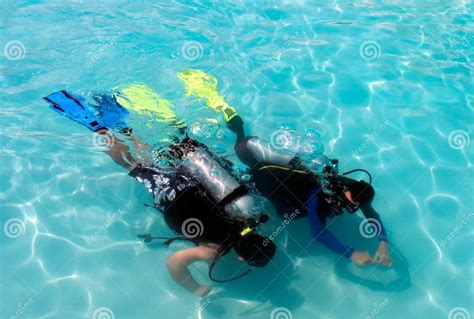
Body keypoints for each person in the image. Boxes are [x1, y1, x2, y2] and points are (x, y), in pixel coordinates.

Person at [43, 90, 276, 297]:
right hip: (172, 195)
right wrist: (196, 289)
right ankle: (97, 126)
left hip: (190, 182)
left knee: (143, 148)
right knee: (133, 164)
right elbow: (174, 262)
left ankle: (114, 112)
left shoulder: (250, 215)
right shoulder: (212, 251)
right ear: (241, 258)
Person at [176, 69, 392, 268]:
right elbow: (317, 233)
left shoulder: (348, 188)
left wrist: (383, 241)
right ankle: (185, 132)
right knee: (223, 165)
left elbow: (369, 211)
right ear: (345, 191)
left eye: (352, 207)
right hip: (253, 180)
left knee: (239, 145)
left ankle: (214, 124)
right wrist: (350, 253)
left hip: (263, 165)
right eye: (349, 204)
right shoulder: (318, 191)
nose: (348, 208)